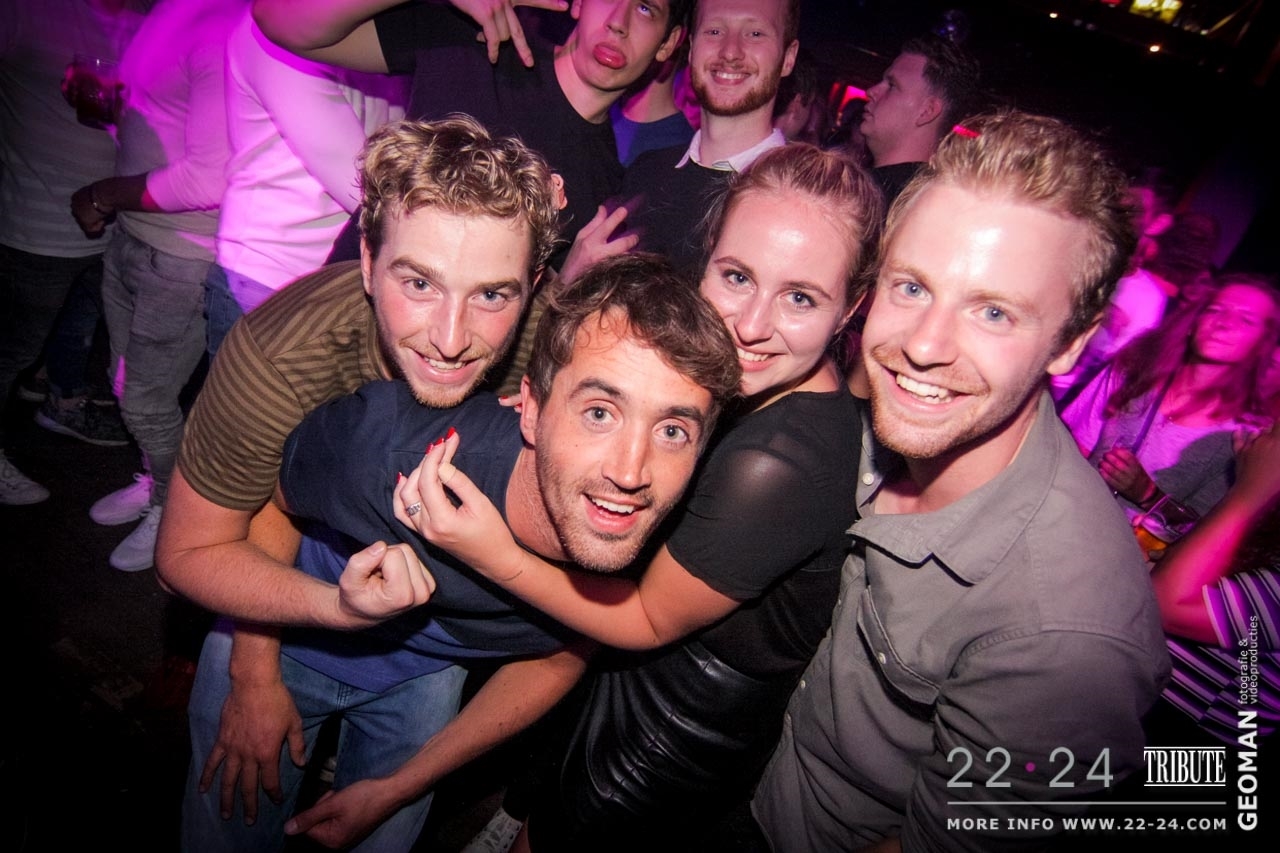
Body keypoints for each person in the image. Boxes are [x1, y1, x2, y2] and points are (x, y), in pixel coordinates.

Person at [154, 116, 664, 851]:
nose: (451, 338)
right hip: (280, 616)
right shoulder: (280, 354)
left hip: (435, 659)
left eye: (493, 294)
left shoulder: (552, 356)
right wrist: (258, 671)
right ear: (368, 261)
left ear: (535, 284)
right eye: (418, 283)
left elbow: (573, 625)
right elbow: (189, 553)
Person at [398, 142, 883, 851]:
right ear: (707, 259)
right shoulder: (734, 376)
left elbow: (646, 619)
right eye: (737, 276)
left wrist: (493, 553)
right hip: (620, 688)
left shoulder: (778, 463)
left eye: (801, 298)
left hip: (669, 731)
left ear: (852, 308)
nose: (751, 325)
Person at [180, 252, 739, 852]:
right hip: (293, 638)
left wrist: (400, 787)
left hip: (429, 676)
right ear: (532, 410)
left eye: (672, 431)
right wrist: (253, 677)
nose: (630, 473)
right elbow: (269, 505)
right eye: (599, 413)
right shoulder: (399, 453)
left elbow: (556, 659)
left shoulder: (651, 546)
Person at [751, 110, 1171, 852]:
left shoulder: (1064, 633)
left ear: (1070, 343)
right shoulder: (872, 424)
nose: (924, 345)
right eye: (912, 287)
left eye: (994, 312)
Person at [252, 0, 689, 269]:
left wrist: (565, 287)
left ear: (668, 44)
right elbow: (278, 20)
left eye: (645, 8)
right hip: (339, 313)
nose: (618, 22)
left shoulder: (605, 186)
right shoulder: (477, 38)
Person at [69, 0, 243, 570]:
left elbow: (210, 177)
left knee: (146, 401)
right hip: (132, 235)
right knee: (126, 385)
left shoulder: (221, 23)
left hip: (181, 255)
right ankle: (154, 479)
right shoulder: (166, 12)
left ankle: (172, 508)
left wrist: (101, 195)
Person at [0, 0, 145, 504]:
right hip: (35, 224)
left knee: (78, 331)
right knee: (14, 349)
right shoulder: (29, 11)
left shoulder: (141, 20)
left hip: (112, 223)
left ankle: (62, 404)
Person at [204, 4, 407, 356]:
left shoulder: (379, 33)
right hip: (267, 279)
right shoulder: (271, 30)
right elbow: (361, 185)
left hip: (338, 281)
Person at [563, 0, 801, 280]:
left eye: (755, 34)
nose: (730, 51)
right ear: (691, 49)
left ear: (788, 57)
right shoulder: (645, 172)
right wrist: (569, 282)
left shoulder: (799, 204)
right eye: (714, 31)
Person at [1061, 273, 1280, 524]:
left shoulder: (1245, 439)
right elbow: (1072, 446)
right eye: (1215, 310)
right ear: (1195, 322)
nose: (1224, 323)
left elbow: (1204, 531)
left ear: (1262, 343)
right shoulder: (1134, 369)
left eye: (1246, 320)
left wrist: (1148, 495)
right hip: (1062, 516)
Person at [859, 32, 980, 207]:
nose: (871, 91)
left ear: (927, 111)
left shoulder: (882, 203)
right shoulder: (932, 202)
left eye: (892, 85)